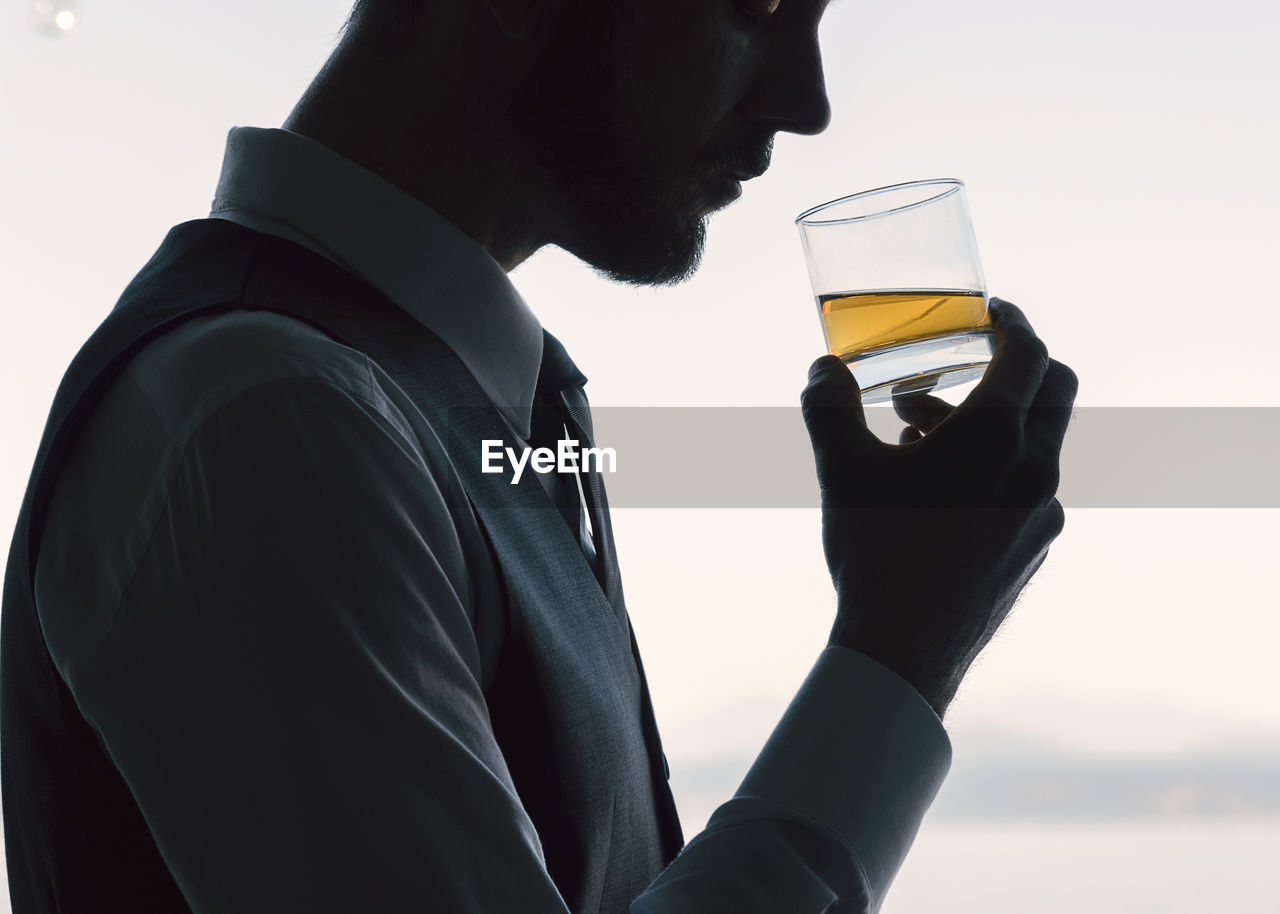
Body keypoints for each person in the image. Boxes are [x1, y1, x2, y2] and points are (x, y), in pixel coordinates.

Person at [0, 0, 1076, 911]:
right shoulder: (270, 421)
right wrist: (898, 651)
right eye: (754, 10)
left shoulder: (451, 396)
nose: (805, 101)